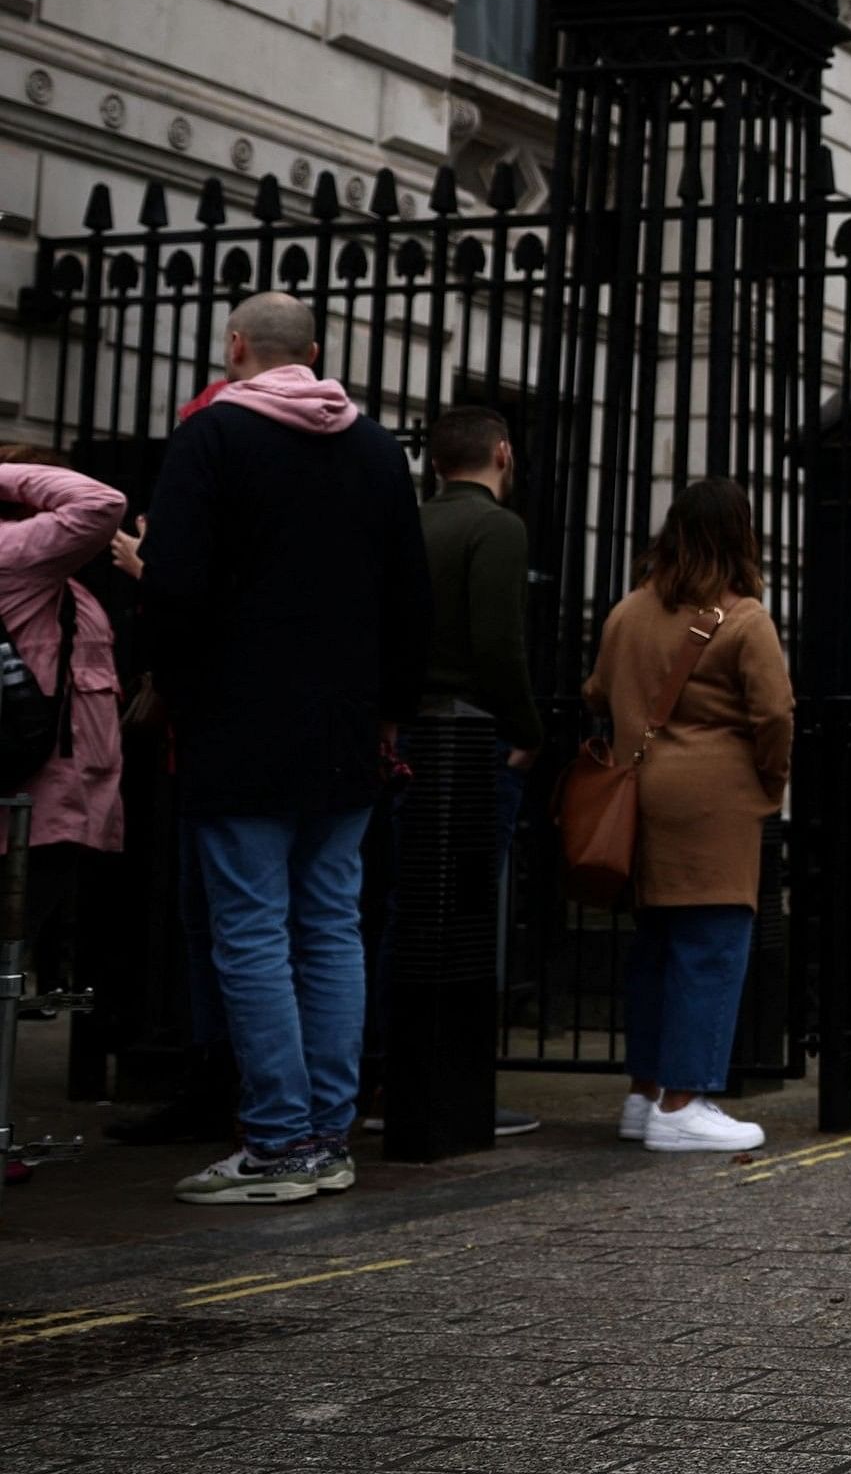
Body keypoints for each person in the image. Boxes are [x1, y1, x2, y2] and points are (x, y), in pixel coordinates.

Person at [140, 292, 434, 1205]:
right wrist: (390, 712)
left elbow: (176, 586)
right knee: (331, 924)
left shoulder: (211, 439)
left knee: (252, 931)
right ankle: (329, 1134)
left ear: (236, 346)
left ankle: (277, 1139)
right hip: (346, 728)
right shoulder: (377, 450)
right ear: (312, 352)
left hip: (239, 723)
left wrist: (174, 693)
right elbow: (409, 595)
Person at [584, 479, 793, 1153]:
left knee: (656, 951)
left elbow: (595, 691)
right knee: (711, 948)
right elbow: (774, 715)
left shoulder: (627, 612)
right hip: (714, 803)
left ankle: (645, 1095)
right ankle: (685, 1100)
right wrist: (770, 781)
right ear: (740, 536)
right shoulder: (743, 619)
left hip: (640, 797)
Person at [416, 402, 544, 1139]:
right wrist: (527, 730)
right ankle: (458, 1085)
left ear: (436, 461)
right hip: (471, 742)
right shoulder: (496, 527)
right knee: (469, 912)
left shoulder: (415, 521)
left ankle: (390, 1073)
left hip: (410, 735)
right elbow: (500, 642)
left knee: (405, 908)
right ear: (502, 451)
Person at [0, 448, 128, 1019]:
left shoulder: (53, 578)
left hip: (57, 804)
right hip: (35, 804)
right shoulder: (15, 553)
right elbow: (100, 503)